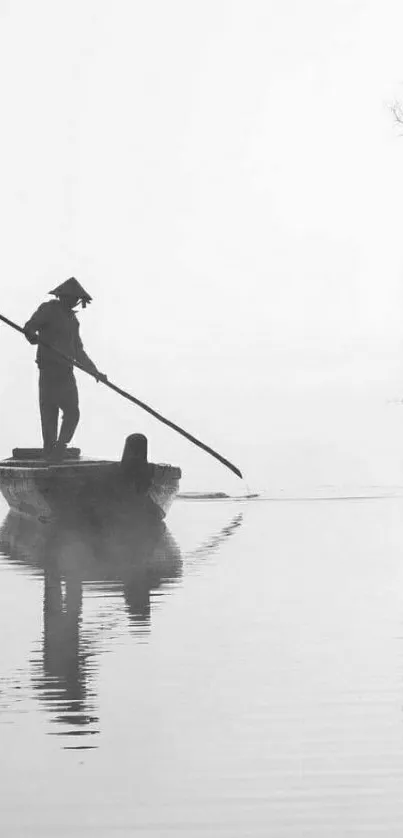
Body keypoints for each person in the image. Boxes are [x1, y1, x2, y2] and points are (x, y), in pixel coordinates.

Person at [24, 277, 107, 461]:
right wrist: (32, 336)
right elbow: (29, 327)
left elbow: (78, 350)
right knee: (49, 416)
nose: (73, 301)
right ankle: (50, 451)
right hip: (48, 371)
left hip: (66, 373)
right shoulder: (48, 310)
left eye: (75, 299)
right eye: (71, 298)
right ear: (63, 296)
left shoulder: (72, 321)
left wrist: (95, 371)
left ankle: (60, 447)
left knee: (72, 412)